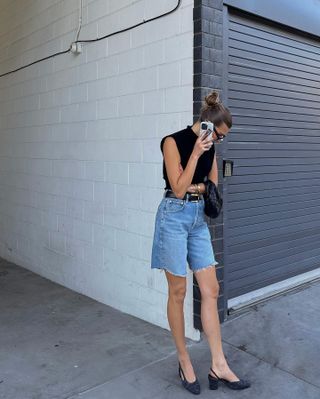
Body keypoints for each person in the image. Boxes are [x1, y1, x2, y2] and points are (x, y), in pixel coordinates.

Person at [150, 90, 251, 395]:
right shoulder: (173, 142)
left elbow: (213, 186)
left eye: (222, 138)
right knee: (178, 291)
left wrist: (198, 179)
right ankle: (184, 361)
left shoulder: (212, 148)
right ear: (206, 124)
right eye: (218, 135)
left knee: (211, 289)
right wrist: (195, 154)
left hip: (197, 221)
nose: (219, 141)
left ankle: (218, 364)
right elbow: (179, 190)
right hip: (173, 216)